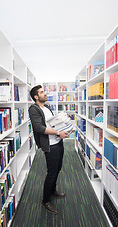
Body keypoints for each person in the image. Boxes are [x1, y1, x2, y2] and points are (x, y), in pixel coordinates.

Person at [29, 85, 69, 215]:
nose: (45, 94)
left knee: (57, 169)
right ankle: (45, 200)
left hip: (58, 142)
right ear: (36, 96)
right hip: (50, 145)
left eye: (44, 91)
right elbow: (39, 128)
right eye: (41, 92)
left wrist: (64, 126)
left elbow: (51, 123)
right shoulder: (33, 109)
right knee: (51, 172)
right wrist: (58, 132)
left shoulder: (46, 108)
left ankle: (52, 190)